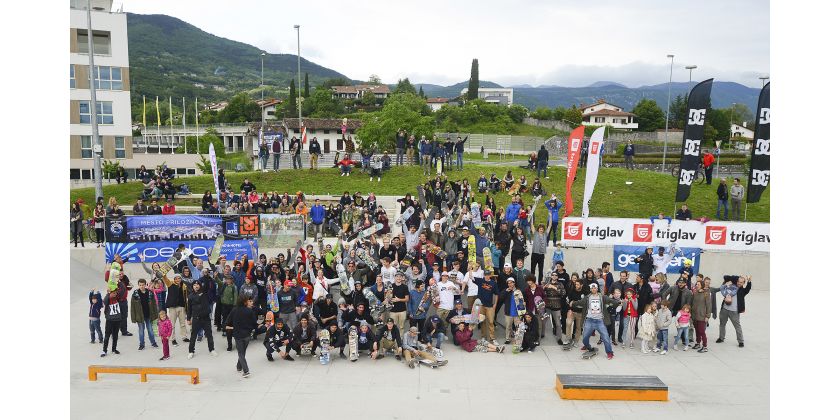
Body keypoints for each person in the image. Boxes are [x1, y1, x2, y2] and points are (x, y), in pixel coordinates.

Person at [570, 282, 619, 359]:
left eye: (595, 288)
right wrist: (573, 303)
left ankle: (609, 352)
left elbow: (611, 301)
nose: (593, 289)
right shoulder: (587, 298)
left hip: (600, 321)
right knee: (585, 338)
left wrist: (618, 302)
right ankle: (588, 346)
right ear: (590, 289)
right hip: (589, 320)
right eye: (592, 288)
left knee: (606, 337)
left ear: (597, 289)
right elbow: (580, 302)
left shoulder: (602, 297)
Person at [226, 295, 258, 377]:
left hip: (238, 335)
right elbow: (254, 323)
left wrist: (230, 326)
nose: (249, 302)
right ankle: (239, 366)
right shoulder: (249, 311)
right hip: (247, 335)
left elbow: (228, 321)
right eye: (248, 300)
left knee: (241, 353)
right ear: (244, 302)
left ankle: (246, 371)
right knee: (242, 352)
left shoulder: (234, 310)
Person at [716, 275, 751, 347]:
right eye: (738, 281)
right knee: (722, 324)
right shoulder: (731, 286)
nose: (739, 283)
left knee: (737, 326)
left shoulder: (743, 291)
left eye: (741, 282)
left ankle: (741, 341)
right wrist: (736, 278)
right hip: (724, 310)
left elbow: (748, 288)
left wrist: (749, 281)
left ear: (743, 283)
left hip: (734, 312)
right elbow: (726, 277)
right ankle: (721, 338)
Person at [129, 279, 159, 351]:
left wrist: (155, 315)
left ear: (145, 285)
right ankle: (142, 344)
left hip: (148, 315)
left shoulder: (150, 293)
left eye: (143, 285)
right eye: (140, 285)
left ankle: (153, 342)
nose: (141, 286)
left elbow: (154, 305)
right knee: (141, 331)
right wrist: (133, 318)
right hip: (140, 316)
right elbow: (132, 307)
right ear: (138, 285)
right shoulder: (135, 294)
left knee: (150, 330)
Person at [691, 281, 712, 353]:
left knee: (702, 331)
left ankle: (705, 346)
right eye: (696, 284)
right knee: (697, 330)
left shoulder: (706, 294)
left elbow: (709, 306)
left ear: (702, 285)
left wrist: (707, 316)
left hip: (702, 316)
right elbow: (692, 303)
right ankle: (698, 343)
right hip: (695, 315)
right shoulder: (695, 293)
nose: (697, 285)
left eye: (698, 284)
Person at [101, 289, 122, 357]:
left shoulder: (118, 298)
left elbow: (122, 292)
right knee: (107, 336)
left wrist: (118, 283)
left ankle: (114, 349)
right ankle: (104, 350)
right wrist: (108, 294)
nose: (114, 294)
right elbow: (104, 301)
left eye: (115, 293)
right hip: (109, 320)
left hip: (117, 319)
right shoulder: (108, 299)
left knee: (115, 336)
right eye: (113, 293)